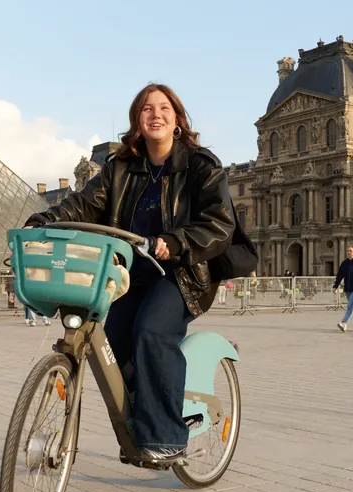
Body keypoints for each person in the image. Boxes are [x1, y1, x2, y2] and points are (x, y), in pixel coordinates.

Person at [24, 83, 236, 466]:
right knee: (114, 342)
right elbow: (83, 204)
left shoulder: (202, 165)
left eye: (164, 108)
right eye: (146, 109)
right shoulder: (119, 168)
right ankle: (144, 420)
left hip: (181, 275)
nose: (155, 114)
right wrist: (44, 220)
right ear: (137, 121)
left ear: (177, 119)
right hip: (129, 275)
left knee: (152, 331)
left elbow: (220, 225)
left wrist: (174, 241)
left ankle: (169, 436)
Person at [332, 245, 353, 332]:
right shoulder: (344, 263)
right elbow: (340, 275)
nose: (348, 252)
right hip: (347, 288)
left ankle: (344, 323)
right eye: (347, 251)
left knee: (350, 306)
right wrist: (335, 286)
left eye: (350, 251)